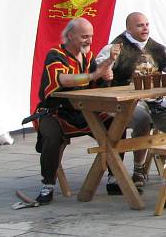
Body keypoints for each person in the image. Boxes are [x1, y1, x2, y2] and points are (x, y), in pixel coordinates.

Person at [30, 18, 118, 204]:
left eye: (91, 37)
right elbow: (63, 79)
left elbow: (96, 83)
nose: (89, 41)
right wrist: (94, 75)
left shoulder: (87, 56)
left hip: (82, 112)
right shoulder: (55, 54)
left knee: (116, 125)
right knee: (52, 136)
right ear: (70, 36)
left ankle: (114, 177)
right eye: (84, 36)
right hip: (55, 111)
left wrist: (106, 76)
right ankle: (47, 185)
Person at [95, 12, 166, 187]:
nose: (145, 28)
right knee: (142, 120)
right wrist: (108, 63)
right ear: (128, 28)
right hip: (123, 104)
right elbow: (97, 71)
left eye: (146, 24)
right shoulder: (115, 47)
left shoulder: (157, 48)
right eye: (139, 25)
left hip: (156, 102)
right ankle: (139, 170)